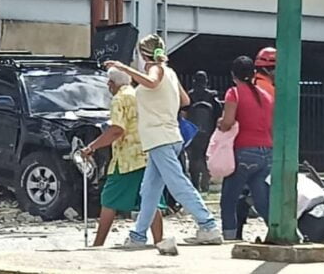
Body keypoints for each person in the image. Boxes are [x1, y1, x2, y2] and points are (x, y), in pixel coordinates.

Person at [105, 34, 222, 247]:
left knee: (177, 183)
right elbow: (185, 100)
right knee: (149, 190)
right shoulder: (170, 72)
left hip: (159, 138)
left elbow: (151, 82)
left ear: (142, 55)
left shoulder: (154, 69)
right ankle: (138, 235)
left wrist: (124, 68)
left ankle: (208, 225)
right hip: (169, 135)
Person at [81, 67, 164, 246]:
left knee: (109, 198)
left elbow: (117, 129)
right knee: (150, 199)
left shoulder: (119, 99)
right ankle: (159, 241)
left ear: (112, 83)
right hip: (147, 154)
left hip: (128, 158)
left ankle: (98, 243)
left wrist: (92, 147)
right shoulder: (139, 95)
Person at [216, 56, 273, 241]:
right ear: (254, 73)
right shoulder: (266, 95)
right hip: (266, 151)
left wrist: (220, 123)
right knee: (262, 200)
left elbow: (228, 122)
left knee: (229, 200)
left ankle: (229, 238)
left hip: (243, 151)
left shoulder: (234, 93)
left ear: (233, 75)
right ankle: (276, 231)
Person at [186, 72, 222, 192]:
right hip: (209, 131)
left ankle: (195, 184)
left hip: (193, 131)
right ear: (206, 81)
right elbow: (219, 113)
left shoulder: (189, 96)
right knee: (207, 157)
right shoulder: (212, 96)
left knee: (194, 158)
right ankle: (205, 182)